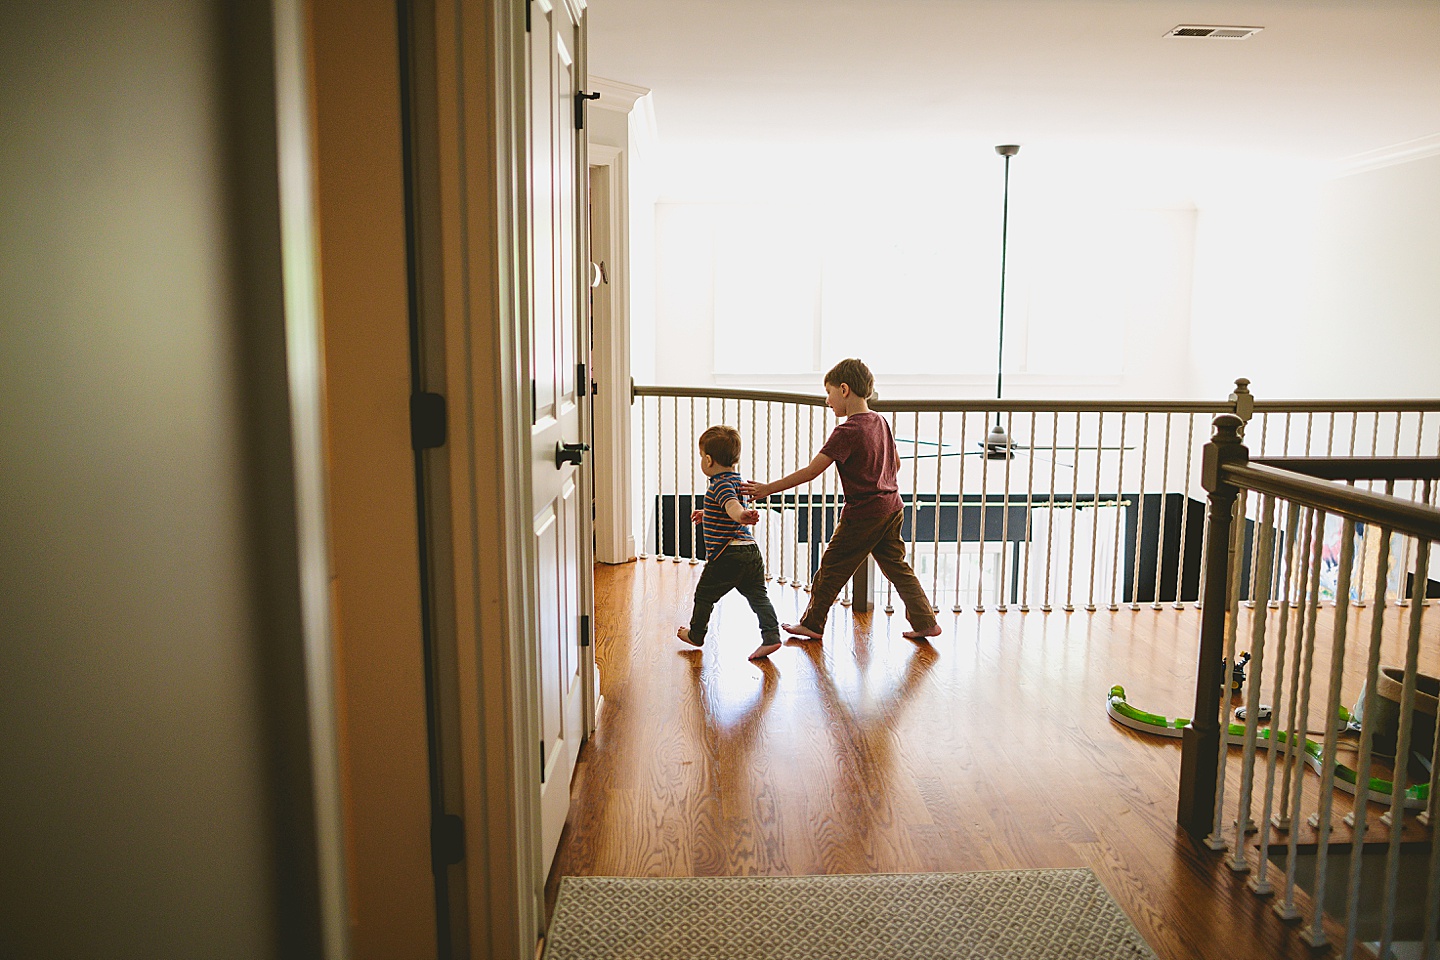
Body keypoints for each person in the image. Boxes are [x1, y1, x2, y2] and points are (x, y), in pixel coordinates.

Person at [741, 358, 941, 642]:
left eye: (829, 392)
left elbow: (811, 472)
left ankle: (813, 623)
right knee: (897, 566)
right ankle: (925, 621)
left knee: (832, 568)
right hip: (893, 507)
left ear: (844, 389)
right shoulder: (880, 421)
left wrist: (767, 489)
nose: (827, 401)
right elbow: (896, 462)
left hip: (864, 513)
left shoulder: (847, 431)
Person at [677, 425, 783, 660]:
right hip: (750, 552)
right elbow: (727, 507)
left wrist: (742, 515)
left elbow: (732, 508)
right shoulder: (736, 480)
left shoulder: (720, 484)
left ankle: (696, 634)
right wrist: (708, 513)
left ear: (708, 460)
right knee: (758, 596)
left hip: (728, 554)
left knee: (704, 595)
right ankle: (771, 635)